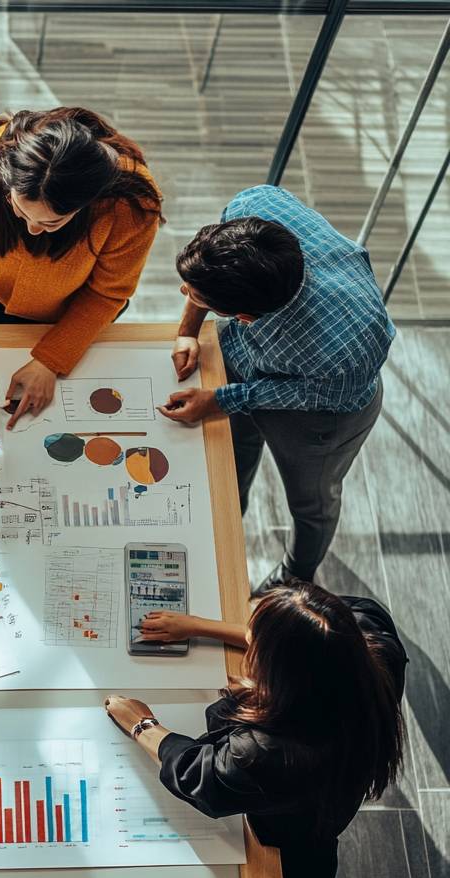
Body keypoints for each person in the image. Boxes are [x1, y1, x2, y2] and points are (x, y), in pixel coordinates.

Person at [105, 583, 406, 878]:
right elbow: (292, 639)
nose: (250, 650)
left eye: (259, 651)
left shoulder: (267, 753)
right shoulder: (370, 633)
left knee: (307, 867)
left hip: (306, 818)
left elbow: (199, 774)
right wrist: (198, 626)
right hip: (345, 768)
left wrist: (142, 724)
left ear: (289, 681)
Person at [160, 186, 395, 595]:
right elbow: (203, 276)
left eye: (199, 300)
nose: (186, 296)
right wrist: (188, 331)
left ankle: (295, 575)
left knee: (312, 503)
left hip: (322, 413)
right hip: (251, 361)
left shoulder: (343, 353)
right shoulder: (255, 206)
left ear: (245, 316)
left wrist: (220, 399)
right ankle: (229, 517)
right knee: (234, 450)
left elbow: (291, 395)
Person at [0, 107, 163, 430]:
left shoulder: (131, 205)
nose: (33, 230)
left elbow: (107, 294)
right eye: (20, 212)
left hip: (73, 313)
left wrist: (50, 361)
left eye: (52, 222)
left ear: (89, 203)